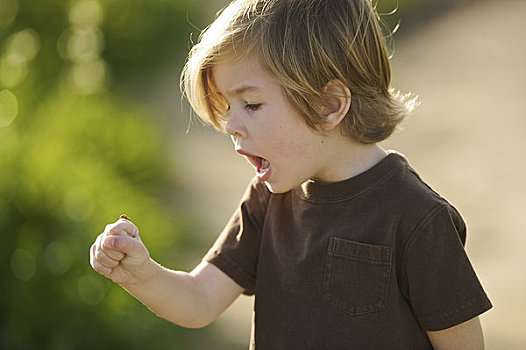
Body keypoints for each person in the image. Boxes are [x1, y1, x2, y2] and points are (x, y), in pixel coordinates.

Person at [90, 0, 492, 348]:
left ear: (328, 106)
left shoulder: (416, 219)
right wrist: (140, 272)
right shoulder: (269, 199)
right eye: (227, 107)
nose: (231, 124)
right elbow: (199, 301)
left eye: (251, 104)